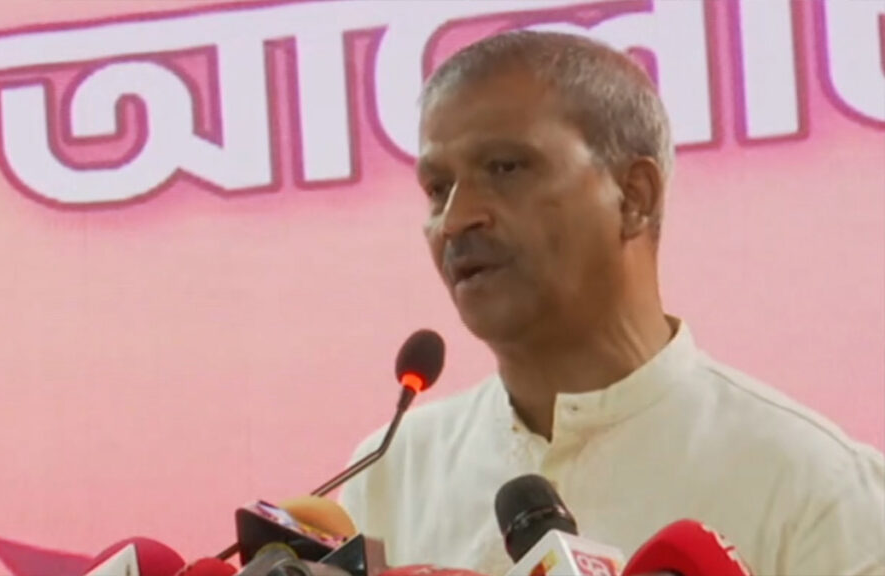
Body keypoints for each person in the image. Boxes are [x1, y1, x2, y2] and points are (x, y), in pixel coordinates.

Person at [338, 30, 885, 576]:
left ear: (633, 196)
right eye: (438, 189)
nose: (456, 220)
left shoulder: (815, 490)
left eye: (505, 168)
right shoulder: (390, 474)